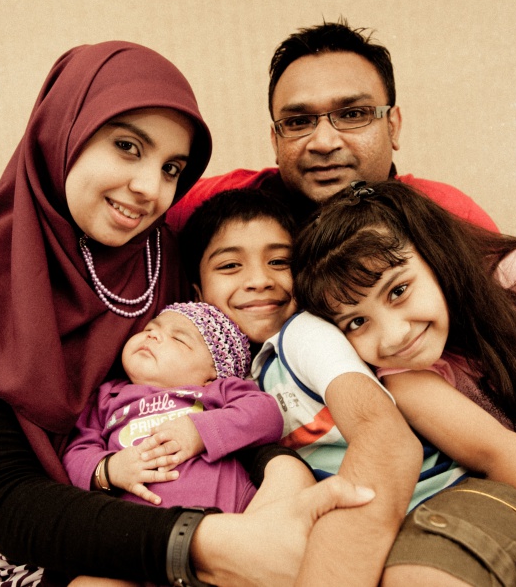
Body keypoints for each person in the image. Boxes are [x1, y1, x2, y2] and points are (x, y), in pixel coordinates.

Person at [0, 17, 493, 583]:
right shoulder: (200, 218)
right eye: (299, 121)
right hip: (69, 474)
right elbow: (56, 206)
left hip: (231, 457)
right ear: (274, 137)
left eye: (352, 113)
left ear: (393, 122)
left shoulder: (444, 221)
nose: (149, 188)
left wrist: (277, 478)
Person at [294, 179, 516, 584]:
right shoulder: (406, 377)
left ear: (435, 254)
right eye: (357, 322)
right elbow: (499, 453)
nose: (393, 335)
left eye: (398, 291)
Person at [177, 188, 422, 585]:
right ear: (198, 294)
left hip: (405, 507)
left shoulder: (303, 334)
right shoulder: (225, 378)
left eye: (279, 262)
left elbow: (382, 435)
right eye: (230, 266)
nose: (259, 281)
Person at [0, 301, 284, 586]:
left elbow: (266, 414)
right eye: (151, 328)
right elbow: (77, 452)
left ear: (213, 374)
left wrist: (199, 432)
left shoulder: (215, 392)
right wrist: (110, 469)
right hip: (134, 550)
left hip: (225, 540)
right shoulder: (108, 397)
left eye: (179, 338)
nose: (154, 335)